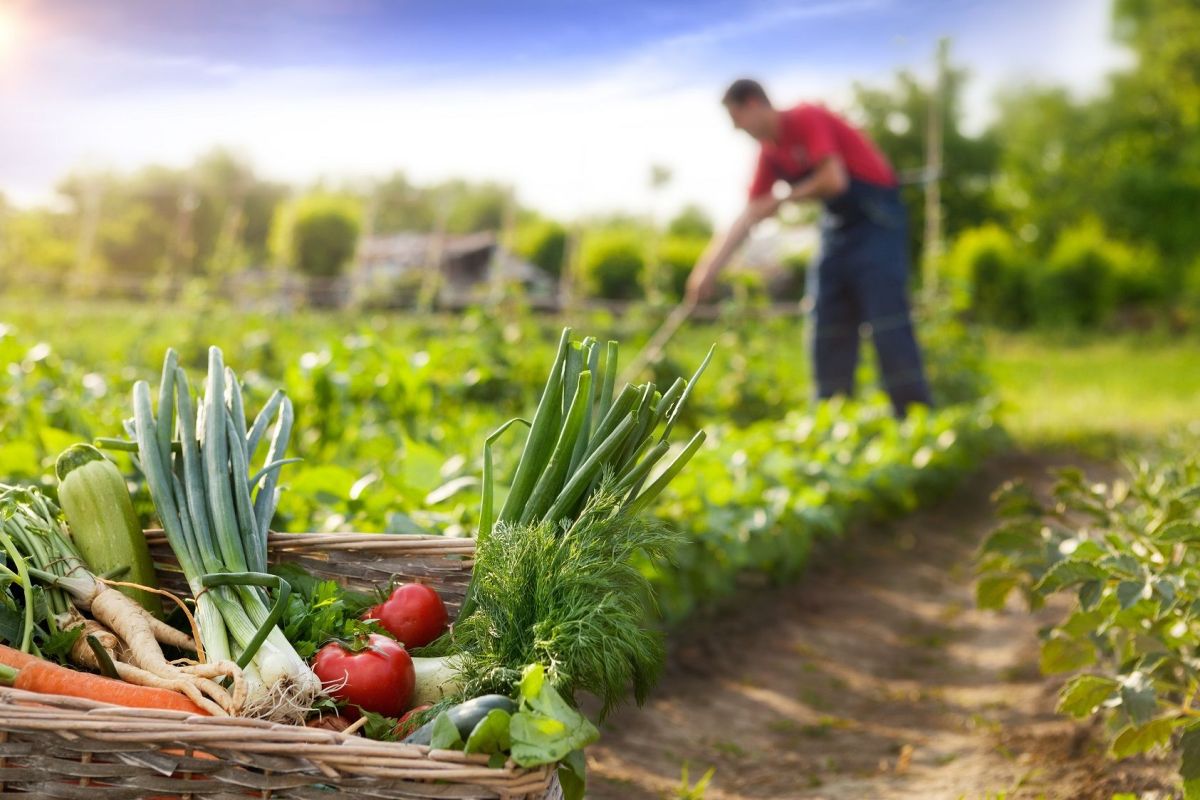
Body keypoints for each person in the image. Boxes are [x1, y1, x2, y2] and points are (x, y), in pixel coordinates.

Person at [686, 78, 933, 416]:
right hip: (837, 227)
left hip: (878, 220)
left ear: (754, 104)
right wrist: (706, 271)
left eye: (737, 119)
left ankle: (916, 419)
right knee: (826, 320)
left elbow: (834, 179)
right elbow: (750, 213)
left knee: (886, 321)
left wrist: (784, 197)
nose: (737, 129)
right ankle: (832, 422)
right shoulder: (770, 154)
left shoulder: (805, 118)